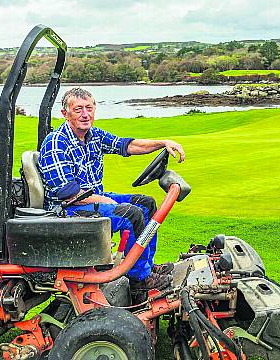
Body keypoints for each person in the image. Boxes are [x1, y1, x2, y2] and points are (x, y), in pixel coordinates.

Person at [38, 87, 185, 291]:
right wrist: (107, 202)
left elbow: (127, 146)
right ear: (65, 113)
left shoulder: (93, 135)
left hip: (92, 198)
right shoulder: (56, 143)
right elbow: (69, 194)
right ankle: (140, 282)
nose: (85, 114)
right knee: (130, 215)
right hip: (67, 210)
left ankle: (146, 265)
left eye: (89, 108)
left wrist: (163, 143)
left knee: (147, 204)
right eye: (78, 109)